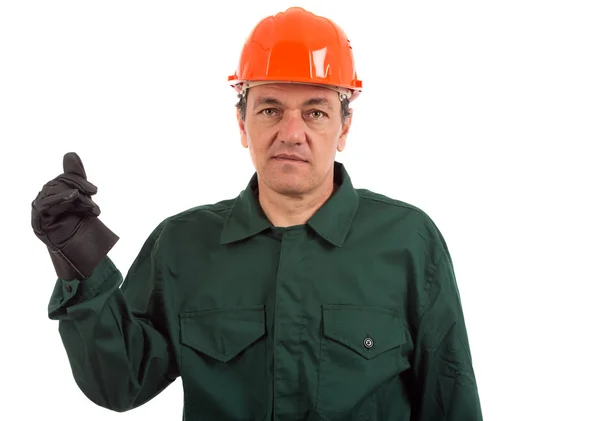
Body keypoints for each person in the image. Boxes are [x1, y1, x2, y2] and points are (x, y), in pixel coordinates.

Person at [31, 6, 484, 421]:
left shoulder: (408, 241)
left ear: (344, 127)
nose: (292, 133)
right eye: (270, 109)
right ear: (242, 123)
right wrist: (81, 260)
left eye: (315, 112)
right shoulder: (182, 245)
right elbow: (119, 384)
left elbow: (450, 399)